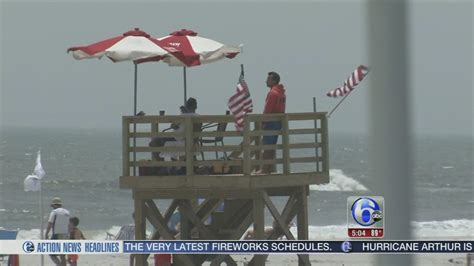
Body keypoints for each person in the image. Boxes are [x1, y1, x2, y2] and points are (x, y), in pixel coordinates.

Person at [259, 71, 286, 173]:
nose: (266, 81)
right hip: (278, 122)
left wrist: (263, 122)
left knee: (267, 146)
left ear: (274, 81)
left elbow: (268, 109)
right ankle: (268, 168)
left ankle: (263, 170)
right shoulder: (281, 93)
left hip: (271, 122)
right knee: (271, 147)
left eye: (268, 79)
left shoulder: (273, 93)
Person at [45, 197, 71, 266]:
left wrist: (46, 234)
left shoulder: (54, 212)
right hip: (65, 235)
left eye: (53, 206)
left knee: (51, 254)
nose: (52, 207)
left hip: (57, 234)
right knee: (62, 255)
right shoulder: (67, 212)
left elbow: (50, 223)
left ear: (55, 205)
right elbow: (69, 225)